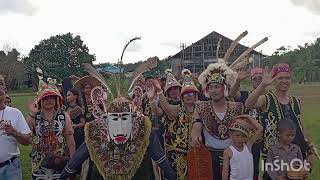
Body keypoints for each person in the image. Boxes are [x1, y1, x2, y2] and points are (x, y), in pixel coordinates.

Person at [245, 63, 318, 179]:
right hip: (272, 156)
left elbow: (301, 127)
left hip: (295, 153)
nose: (284, 81)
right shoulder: (266, 99)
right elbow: (249, 104)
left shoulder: (296, 101)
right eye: (280, 78)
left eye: (287, 78)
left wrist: (309, 148)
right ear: (274, 80)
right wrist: (262, 85)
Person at [191, 61, 244, 180]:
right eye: (211, 87)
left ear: (224, 88)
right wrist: (195, 136)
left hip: (233, 155)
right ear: (207, 90)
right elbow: (196, 127)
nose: (214, 90)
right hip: (210, 156)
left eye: (217, 87)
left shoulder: (236, 107)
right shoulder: (201, 107)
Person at [148, 69, 199, 179]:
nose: (174, 91)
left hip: (197, 152)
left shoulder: (202, 108)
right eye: (186, 94)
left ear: (196, 96)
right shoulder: (176, 108)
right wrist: (154, 97)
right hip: (175, 151)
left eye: (191, 93)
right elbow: (162, 110)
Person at [26, 79, 76, 180]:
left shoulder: (63, 116)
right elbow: (26, 137)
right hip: (39, 162)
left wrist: (73, 161)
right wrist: (32, 114)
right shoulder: (34, 116)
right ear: (40, 100)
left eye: (51, 97)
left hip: (60, 161)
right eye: (45, 98)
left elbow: (70, 139)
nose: (48, 100)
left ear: (56, 99)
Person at [229, 67, 264, 180]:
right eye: (255, 79)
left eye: (260, 78)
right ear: (251, 81)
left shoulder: (269, 97)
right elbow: (232, 93)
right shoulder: (245, 95)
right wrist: (238, 81)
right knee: (246, 166)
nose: (258, 81)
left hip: (265, 138)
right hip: (247, 139)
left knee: (262, 167)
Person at [0, 85, 32, 180]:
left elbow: (27, 141)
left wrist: (14, 132)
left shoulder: (15, 113)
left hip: (10, 168)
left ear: (6, 95)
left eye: (0, 94)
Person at [222, 115, 263, 180]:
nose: (240, 139)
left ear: (247, 137)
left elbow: (260, 129)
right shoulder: (228, 151)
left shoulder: (248, 145)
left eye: (243, 136)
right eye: (237, 135)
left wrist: (248, 117)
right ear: (231, 135)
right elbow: (225, 172)